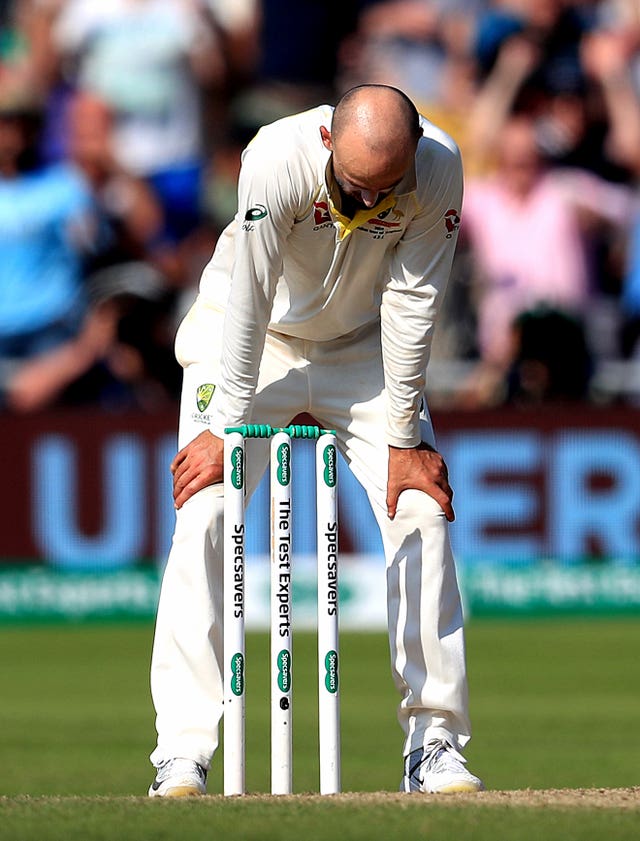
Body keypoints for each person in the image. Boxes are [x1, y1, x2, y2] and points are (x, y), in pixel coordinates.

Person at [148, 84, 484, 797]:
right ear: (330, 141)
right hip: (252, 343)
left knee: (420, 510)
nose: (366, 203)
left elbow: (416, 300)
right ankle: (181, 749)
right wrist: (221, 430)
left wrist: (402, 440)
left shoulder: (439, 168)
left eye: (383, 189)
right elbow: (249, 295)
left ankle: (434, 742)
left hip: (362, 352)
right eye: (355, 186)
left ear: (416, 149)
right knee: (205, 511)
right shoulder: (275, 157)